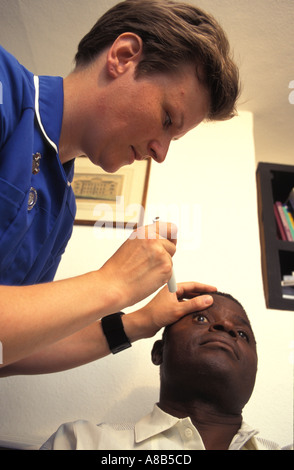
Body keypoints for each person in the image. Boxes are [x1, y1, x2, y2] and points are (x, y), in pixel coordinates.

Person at [0, 0, 239, 375]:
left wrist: (139, 321)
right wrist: (111, 283)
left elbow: (11, 350)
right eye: (166, 119)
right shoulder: (4, 87)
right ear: (123, 56)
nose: (160, 153)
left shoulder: (61, 213)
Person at [41, 291, 285, 451]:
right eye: (201, 319)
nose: (227, 326)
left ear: (255, 370)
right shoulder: (80, 443)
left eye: (242, 334)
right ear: (159, 352)